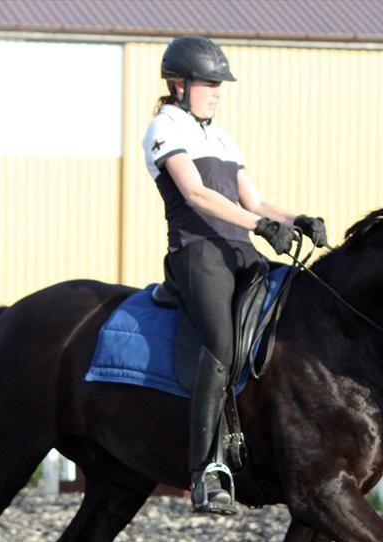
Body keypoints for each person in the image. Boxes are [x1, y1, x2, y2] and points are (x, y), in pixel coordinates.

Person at [142, 36, 327, 514]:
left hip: (240, 251)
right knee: (221, 346)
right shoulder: (165, 127)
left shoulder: (222, 138)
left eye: (219, 84)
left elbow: (256, 201)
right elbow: (197, 194)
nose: (217, 92)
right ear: (178, 85)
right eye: (208, 83)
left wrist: (294, 220)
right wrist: (261, 227)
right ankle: (205, 470)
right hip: (198, 254)